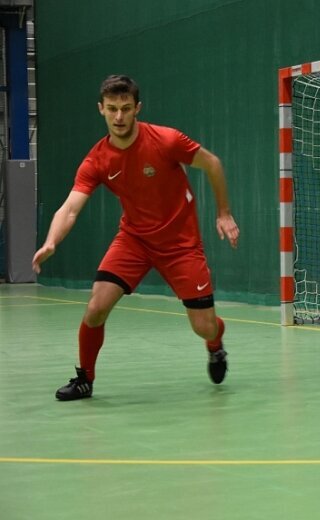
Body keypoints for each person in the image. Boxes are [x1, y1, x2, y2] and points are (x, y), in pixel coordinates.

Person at [32, 74, 240, 401]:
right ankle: (84, 379)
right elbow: (70, 208)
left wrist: (224, 212)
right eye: (112, 109)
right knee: (96, 307)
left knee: (204, 326)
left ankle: (215, 346)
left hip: (180, 245)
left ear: (137, 108)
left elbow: (212, 164)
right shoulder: (97, 159)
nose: (118, 117)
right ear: (101, 109)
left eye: (125, 108)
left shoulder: (166, 140)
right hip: (134, 241)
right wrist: (51, 242)